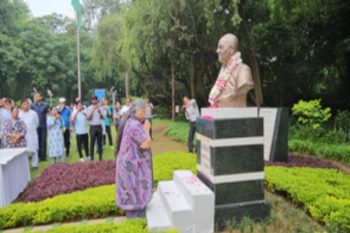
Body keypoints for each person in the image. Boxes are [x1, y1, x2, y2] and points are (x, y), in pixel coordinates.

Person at [115, 99, 153, 219]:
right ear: (137, 111)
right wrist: (147, 129)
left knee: (134, 196)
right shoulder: (135, 125)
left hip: (130, 166)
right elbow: (146, 144)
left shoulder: (131, 121)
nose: (146, 112)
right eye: (144, 110)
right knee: (135, 197)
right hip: (132, 168)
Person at [209, 33, 254, 107]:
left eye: (221, 47)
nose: (217, 51)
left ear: (231, 49)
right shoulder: (222, 73)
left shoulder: (243, 70)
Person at [19, 99, 39, 169]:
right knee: (24, 150)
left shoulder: (33, 113)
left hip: (32, 133)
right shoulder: (19, 114)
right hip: (23, 135)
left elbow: (37, 123)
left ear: (29, 105)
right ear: (21, 105)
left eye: (27, 104)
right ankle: (25, 166)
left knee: (34, 149)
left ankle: (34, 164)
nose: (26, 105)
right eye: (24, 104)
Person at [31, 92, 49, 161]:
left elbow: (47, 115)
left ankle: (43, 156)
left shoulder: (45, 105)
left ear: (41, 97)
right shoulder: (32, 106)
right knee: (37, 141)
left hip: (43, 126)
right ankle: (38, 156)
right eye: (35, 96)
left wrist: (48, 123)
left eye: (38, 96)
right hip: (36, 127)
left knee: (43, 141)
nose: (36, 98)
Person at [87, 96, 106, 161]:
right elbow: (88, 118)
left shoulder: (100, 108)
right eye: (93, 100)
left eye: (95, 100)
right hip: (92, 127)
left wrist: (100, 112)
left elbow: (103, 118)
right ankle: (92, 158)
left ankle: (100, 158)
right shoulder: (89, 108)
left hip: (99, 126)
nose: (94, 101)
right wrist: (93, 109)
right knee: (92, 143)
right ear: (91, 100)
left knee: (100, 143)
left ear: (97, 100)